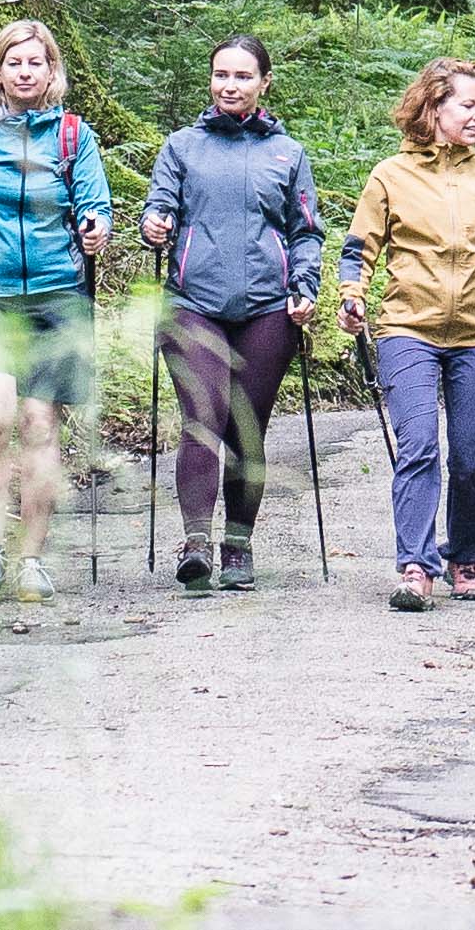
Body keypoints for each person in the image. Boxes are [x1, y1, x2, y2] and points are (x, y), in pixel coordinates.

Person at [0, 18, 115, 604]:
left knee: (39, 426)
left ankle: (31, 558)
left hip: (57, 295)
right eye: (14, 62)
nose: (25, 71)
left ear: (51, 70)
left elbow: (96, 203)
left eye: (36, 62)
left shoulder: (72, 135)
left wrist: (96, 228)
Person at [342, 57, 475, 611]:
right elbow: (359, 251)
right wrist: (351, 299)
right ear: (434, 107)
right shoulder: (390, 176)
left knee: (471, 460)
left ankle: (463, 556)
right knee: (419, 446)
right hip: (407, 330)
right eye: (467, 105)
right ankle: (415, 564)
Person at [138, 34, 325, 592]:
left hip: (269, 306)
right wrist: (155, 224)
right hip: (192, 301)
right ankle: (195, 542)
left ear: (264, 83)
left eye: (243, 76)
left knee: (247, 427)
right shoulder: (181, 146)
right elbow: (159, 205)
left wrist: (305, 283)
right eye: (222, 75)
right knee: (204, 413)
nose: (230, 85)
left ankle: (238, 545)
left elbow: (305, 232)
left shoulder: (287, 155)